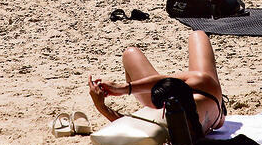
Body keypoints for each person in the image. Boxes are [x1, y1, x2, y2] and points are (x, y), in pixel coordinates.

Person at [88, 30, 225, 138]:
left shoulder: (165, 121)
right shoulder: (203, 81)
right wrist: (124, 89)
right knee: (198, 35)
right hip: (215, 111)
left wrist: (101, 106)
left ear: (163, 107)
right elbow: (167, 80)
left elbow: (127, 124)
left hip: (204, 114)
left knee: (130, 54)